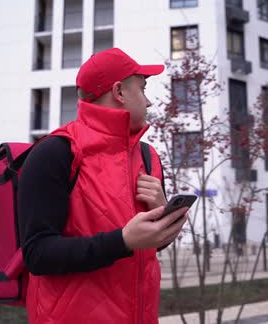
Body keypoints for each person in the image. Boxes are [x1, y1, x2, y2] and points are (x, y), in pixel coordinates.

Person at [17, 47, 189, 324]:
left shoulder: (148, 157)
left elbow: (150, 246)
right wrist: (121, 242)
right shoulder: (55, 152)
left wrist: (165, 220)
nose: (149, 102)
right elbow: (37, 254)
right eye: (142, 89)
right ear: (119, 92)